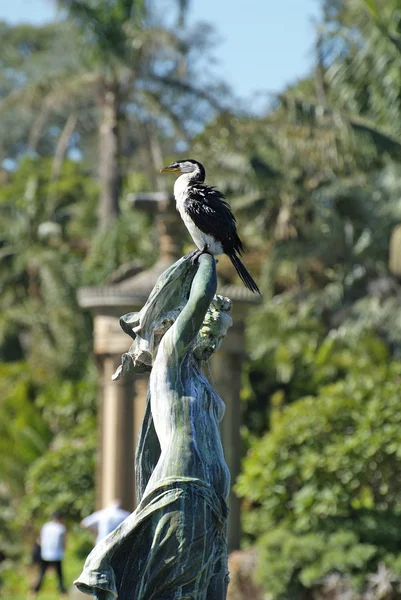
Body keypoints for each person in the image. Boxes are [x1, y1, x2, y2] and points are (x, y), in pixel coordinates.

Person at [75, 253, 232, 600]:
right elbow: (201, 298)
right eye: (211, 333)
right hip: (182, 487)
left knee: (205, 587)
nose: (215, 344)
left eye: (220, 338)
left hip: (211, 499)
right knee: (175, 586)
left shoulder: (199, 379)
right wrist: (209, 254)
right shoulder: (169, 363)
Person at [30, 511, 67, 598]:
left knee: (41, 575)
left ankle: (32, 595)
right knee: (60, 577)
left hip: (45, 554)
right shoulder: (61, 528)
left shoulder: (46, 526)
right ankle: (63, 596)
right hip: (57, 555)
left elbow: (40, 540)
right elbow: (63, 543)